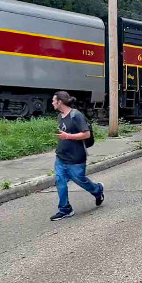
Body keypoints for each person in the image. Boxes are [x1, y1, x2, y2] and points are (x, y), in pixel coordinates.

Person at [50, 91, 104, 221]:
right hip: (61, 157)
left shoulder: (76, 115)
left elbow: (86, 134)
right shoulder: (60, 116)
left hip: (76, 158)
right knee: (60, 181)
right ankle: (65, 209)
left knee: (81, 180)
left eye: (53, 100)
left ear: (60, 102)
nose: (52, 103)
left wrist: (67, 136)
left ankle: (98, 190)